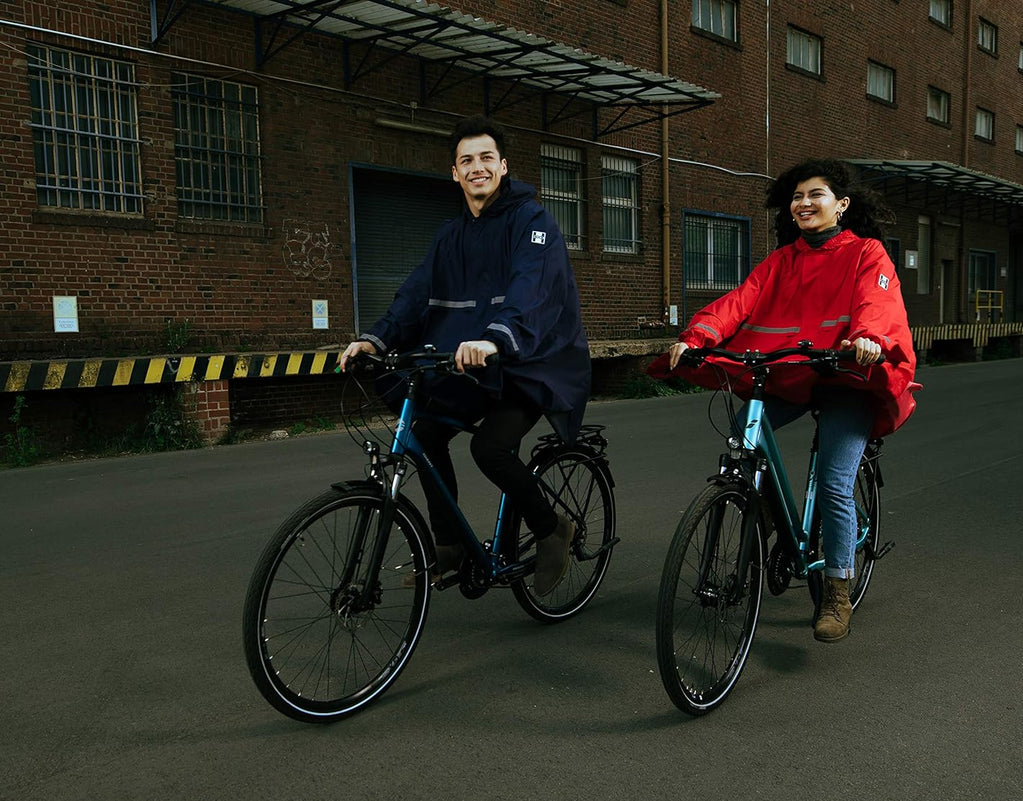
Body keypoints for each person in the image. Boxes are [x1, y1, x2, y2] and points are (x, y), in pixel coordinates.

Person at [654, 158, 919, 642]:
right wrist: (697, 337)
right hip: (795, 373)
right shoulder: (782, 260)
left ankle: (837, 589)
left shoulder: (867, 253)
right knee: (742, 433)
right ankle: (775, 518)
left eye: (815, 195)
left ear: (841, 204)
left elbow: (876, 304)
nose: (803, 203)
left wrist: (868, 338)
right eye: (797, 197)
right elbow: (738, 302)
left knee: (836, 484)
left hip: (846, 376)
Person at [339, 115, 591, 596]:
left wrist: (497, 338)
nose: (477, 167)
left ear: (503, 166)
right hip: (473, 364)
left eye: (486, 158)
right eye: (466, 160)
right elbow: (416, 293)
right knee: (424, 434)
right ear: (455, 173)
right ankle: (449, 545)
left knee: (489, 448)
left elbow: (530, 288)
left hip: (530, 362)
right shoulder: (449, 236)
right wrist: (376, 338)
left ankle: (551, 528)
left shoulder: (532, 222)